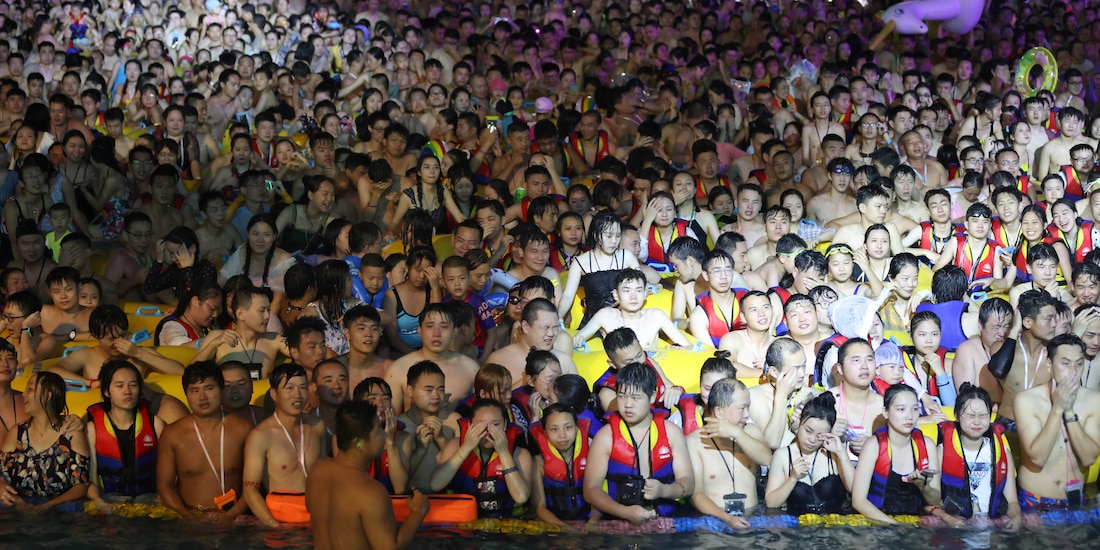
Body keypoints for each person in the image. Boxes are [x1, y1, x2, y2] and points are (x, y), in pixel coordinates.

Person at [306, 400, 430, 550]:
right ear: (359, 444)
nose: (385, 434)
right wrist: (418, 512)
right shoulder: (371, 491)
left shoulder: (317, 470)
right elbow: (390, 547)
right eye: (379, 430)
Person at [584, 363, 694, 524]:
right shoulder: (605, 437)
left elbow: (688, 482)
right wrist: (625, 512)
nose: (627, 404)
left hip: (666, 522)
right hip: (620, 522)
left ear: (651, 396)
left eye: (635, 397)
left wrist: (665, 490)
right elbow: (591, 490)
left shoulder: (671, 432)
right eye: (621, 396)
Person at [1015, 333, 1100, 510]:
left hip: (1075, 501)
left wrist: (1069, 411)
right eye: (1065, 364)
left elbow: (1088, 457)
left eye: (1079, 364)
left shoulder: (1094, 400)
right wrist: (1057, 409)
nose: (1073, 372)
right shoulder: (1026, 400)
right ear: (1049, 364)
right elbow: (1038, 457)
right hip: (1035, 501)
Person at [156, 361, 252, 516]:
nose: (202, 397)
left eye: (209, 388)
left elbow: (253, 484)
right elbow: (164, 486)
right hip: (191, 517)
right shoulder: (172, 435)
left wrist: (232, 515)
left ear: (221, 390)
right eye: (194, 390)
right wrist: (188, 517)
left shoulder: (243, 430)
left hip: (235, 519)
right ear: (186, 394)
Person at [242, 363, 327, 526]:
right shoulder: (261, 436)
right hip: (282, 519)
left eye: (302, 388)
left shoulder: (317, 426)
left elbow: (324, 473)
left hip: (317, 515)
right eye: (289, 388)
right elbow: (250, 490)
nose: (297, 394)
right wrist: (275, 526)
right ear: (274, 394)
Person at [850, 384, 943, 524]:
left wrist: (923, 486)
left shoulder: (927, 446)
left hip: (914, 525)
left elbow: (935, 499)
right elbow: (858, 501)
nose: (909, 416)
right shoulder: (873, 446)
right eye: (901, 409)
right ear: (886, 412)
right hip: (879, 525)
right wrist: (895, 526)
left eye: (915, 409)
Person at [686, 377, 771, 527]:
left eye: (748, 408)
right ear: (719, 411)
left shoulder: (750, 432)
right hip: (714, 523)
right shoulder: (694, 442)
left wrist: (737, 434)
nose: (747, 415)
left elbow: (766, 458)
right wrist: (727, 518)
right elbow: (696, 495)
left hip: (752, 519)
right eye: (742, 408)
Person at [936, 383, 1022, 528]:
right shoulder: (942, 451)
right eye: (970, 415)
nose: (977, 421)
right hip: (956, 523)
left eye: (983, 416)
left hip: (992, 523)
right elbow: (932, 501)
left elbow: (1012, 501)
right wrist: (949, 520)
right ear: (956, 416)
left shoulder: (1002, 453)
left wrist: (1017, 518)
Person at [85, 360, 166, 512]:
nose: (127, 391)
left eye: (133, 385)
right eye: (120, 385)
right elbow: (89, 479)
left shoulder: (156, 424)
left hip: (150, 502)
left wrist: (163, 498)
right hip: (109, 502)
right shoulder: (92, 430)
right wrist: (99, 501)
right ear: (106, 392)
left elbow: (170, 473)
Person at [0, 371, 88, 511]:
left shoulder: (71, 433)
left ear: (47, 396)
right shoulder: (17, 433)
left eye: (30, 389)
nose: (23, 394)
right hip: (20, 509)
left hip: (59, 511)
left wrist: (48, 506)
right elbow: (2, 474)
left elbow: (81, 486)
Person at [430, 398, 532, 518]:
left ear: (505, 424)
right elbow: (435, 484)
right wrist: (466, 447)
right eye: (481, 425)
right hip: (462, 521)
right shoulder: (455, 446)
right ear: (469, 425)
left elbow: (521, 497)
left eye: (495, 425)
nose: (488, 431)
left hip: (505, 524)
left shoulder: (520, 454)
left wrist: (504, 453)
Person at [764, 392, 854, 514]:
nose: (812, 440)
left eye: (820, 435)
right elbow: (771, 504)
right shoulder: (782, 456)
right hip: (799, 528)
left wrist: (842, 454)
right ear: (799, 423)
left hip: (834, 528)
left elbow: (855, 491)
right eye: (808, 431)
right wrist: (792, 478)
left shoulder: (833, 454)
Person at [385, 302, 479, 415]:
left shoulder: (470, 369)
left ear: (455, 331)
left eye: (444, 327)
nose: (437, 333)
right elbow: (390, 418)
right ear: (419, 330)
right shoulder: (398, 369)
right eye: (430, 326)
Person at [573, 268, 691, 349]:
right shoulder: (606, 315)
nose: (633, 296)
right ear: (616, 295)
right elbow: (578, 338)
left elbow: (687, 346)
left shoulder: (656, 316)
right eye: (626, 290)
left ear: (646, 293)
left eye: (638, 290)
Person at [190, 287, 290, 381]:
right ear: (240, 314)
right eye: (261, 311)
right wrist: (213, 345)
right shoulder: (217, 338)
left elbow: (301, 352)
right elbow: (190, 373)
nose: (267, 316)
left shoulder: (274, 339)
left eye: (268, 310)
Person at [529, 402, 599, 530]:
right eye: (554, 429)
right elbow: (539, 508)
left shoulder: (590, 451)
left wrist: (593, 521)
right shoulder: (538, 460)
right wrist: (565, 528)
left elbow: (598, 494)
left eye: (568, 427)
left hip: (588, 520)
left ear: (577, 427)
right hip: (554, 524)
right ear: (544, 432)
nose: (562, 435)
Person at [397, 361, 461, 491]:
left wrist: (441, 439)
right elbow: (397, 481)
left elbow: (465, 470)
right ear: (410, 390)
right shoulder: (399, 426)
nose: (436, 396)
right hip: (411, 500)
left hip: (448, 499)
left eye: (440, 389)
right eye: (428, 389)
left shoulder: (454, 422)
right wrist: (419, 450)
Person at [353, 377, 414, 495]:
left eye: (386, 398)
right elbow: (352, 481)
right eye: (372, 398)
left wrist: (390, 441)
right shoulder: (348, 436)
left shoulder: (403, 438)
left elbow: (400, 487)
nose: (380, 404)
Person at [154, 280, 221, 347]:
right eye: (212, 309)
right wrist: (214, 340)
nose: (215, 315)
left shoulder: (209, 328)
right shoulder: (171, 327)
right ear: (195, 301)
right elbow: (179, 349)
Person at [221, 361, 267, 427]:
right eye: (227, 385)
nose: (235, 390)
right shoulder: (209, 422)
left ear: (252, 386)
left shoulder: (265, 417)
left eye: (241, 384)